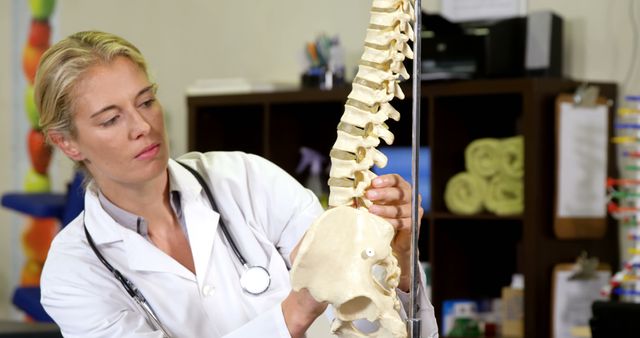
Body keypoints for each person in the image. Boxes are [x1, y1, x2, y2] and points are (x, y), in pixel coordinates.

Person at [36, 31, 438, 338]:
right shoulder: (74, 271)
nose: (143, 127)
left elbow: (361, 322)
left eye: (146, 101)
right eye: (111, 119)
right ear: (67, 143)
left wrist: (396, 260)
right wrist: (293, 313)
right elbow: (314, 293)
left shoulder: (246, 179)